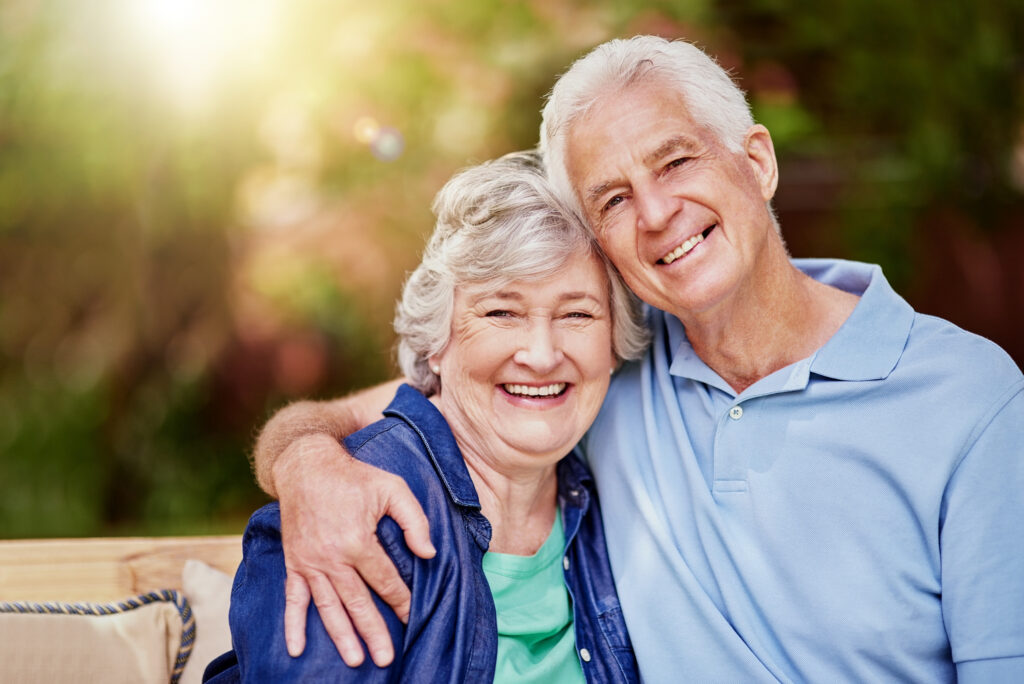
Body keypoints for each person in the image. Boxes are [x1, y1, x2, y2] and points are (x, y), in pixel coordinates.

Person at [250, 36, 1024, 682]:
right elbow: (393, 407)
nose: (655, 214)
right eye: (612, 200)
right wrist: (309, 466)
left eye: (676, 162)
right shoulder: (595, 369)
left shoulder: (969, 401)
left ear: (756, 162)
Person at [203, 151, 645, 682]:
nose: (542, 353)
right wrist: (304, 456)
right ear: (437, 343)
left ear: (614, 344)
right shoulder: (352, 521)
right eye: (501, 312)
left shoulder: (606, 497)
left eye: (577, 313)